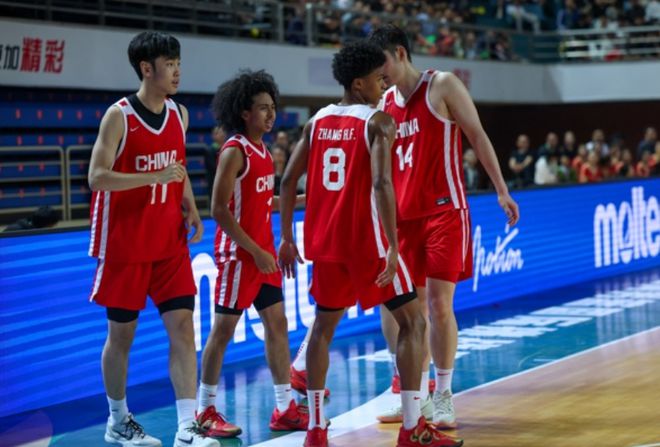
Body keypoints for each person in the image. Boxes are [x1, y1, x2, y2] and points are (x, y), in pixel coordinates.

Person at [278, 41, 463, 447]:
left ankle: (315, 428)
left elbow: (288, 181)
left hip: (325, 243)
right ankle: (413, 426)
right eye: (379, 80)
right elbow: (382, 183)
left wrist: (287, 237)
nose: (384, 86)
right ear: (358, 83)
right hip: (367, 243)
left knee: (322, 330)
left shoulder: (316, 121)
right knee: (413, 323)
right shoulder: (378, 121)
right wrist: (393, 245)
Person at [368, 24, 519, 429]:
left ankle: (445, 395)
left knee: (438, 305)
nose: (379, 73)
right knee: (405, 311)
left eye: (382, 63)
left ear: (400, 53)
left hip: (444, 212)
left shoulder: (443, 85)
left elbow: (477, 135)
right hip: (403, 220)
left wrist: (501, 190)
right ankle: (413, 396)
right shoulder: (383, 103)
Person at [87, 31, 217, 447]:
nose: (177, 71)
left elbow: (176, 165)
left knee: (183, 328)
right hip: (125, 244)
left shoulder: (179, 113)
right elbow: (96, 177)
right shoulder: (119, 116)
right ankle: (118, 419)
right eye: (169, 64)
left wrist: (190, 205)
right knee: (121, 336)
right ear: (147, 68)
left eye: (179, 63)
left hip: (168, 242)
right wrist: (152, 177)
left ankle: (187, 427)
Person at [195, 69, 308, 440]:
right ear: (244, 113)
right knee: (223, 331)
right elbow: (218, 210)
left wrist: (302, 199)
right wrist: (256, 251)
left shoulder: (263, 150)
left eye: (272, 107)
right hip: (239, 256)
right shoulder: (234, 150)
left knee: (278, 325)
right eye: (262, 108)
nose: (270, 114)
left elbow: (261, 201)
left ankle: (284, 407)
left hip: (262, 255)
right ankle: (204, 410)